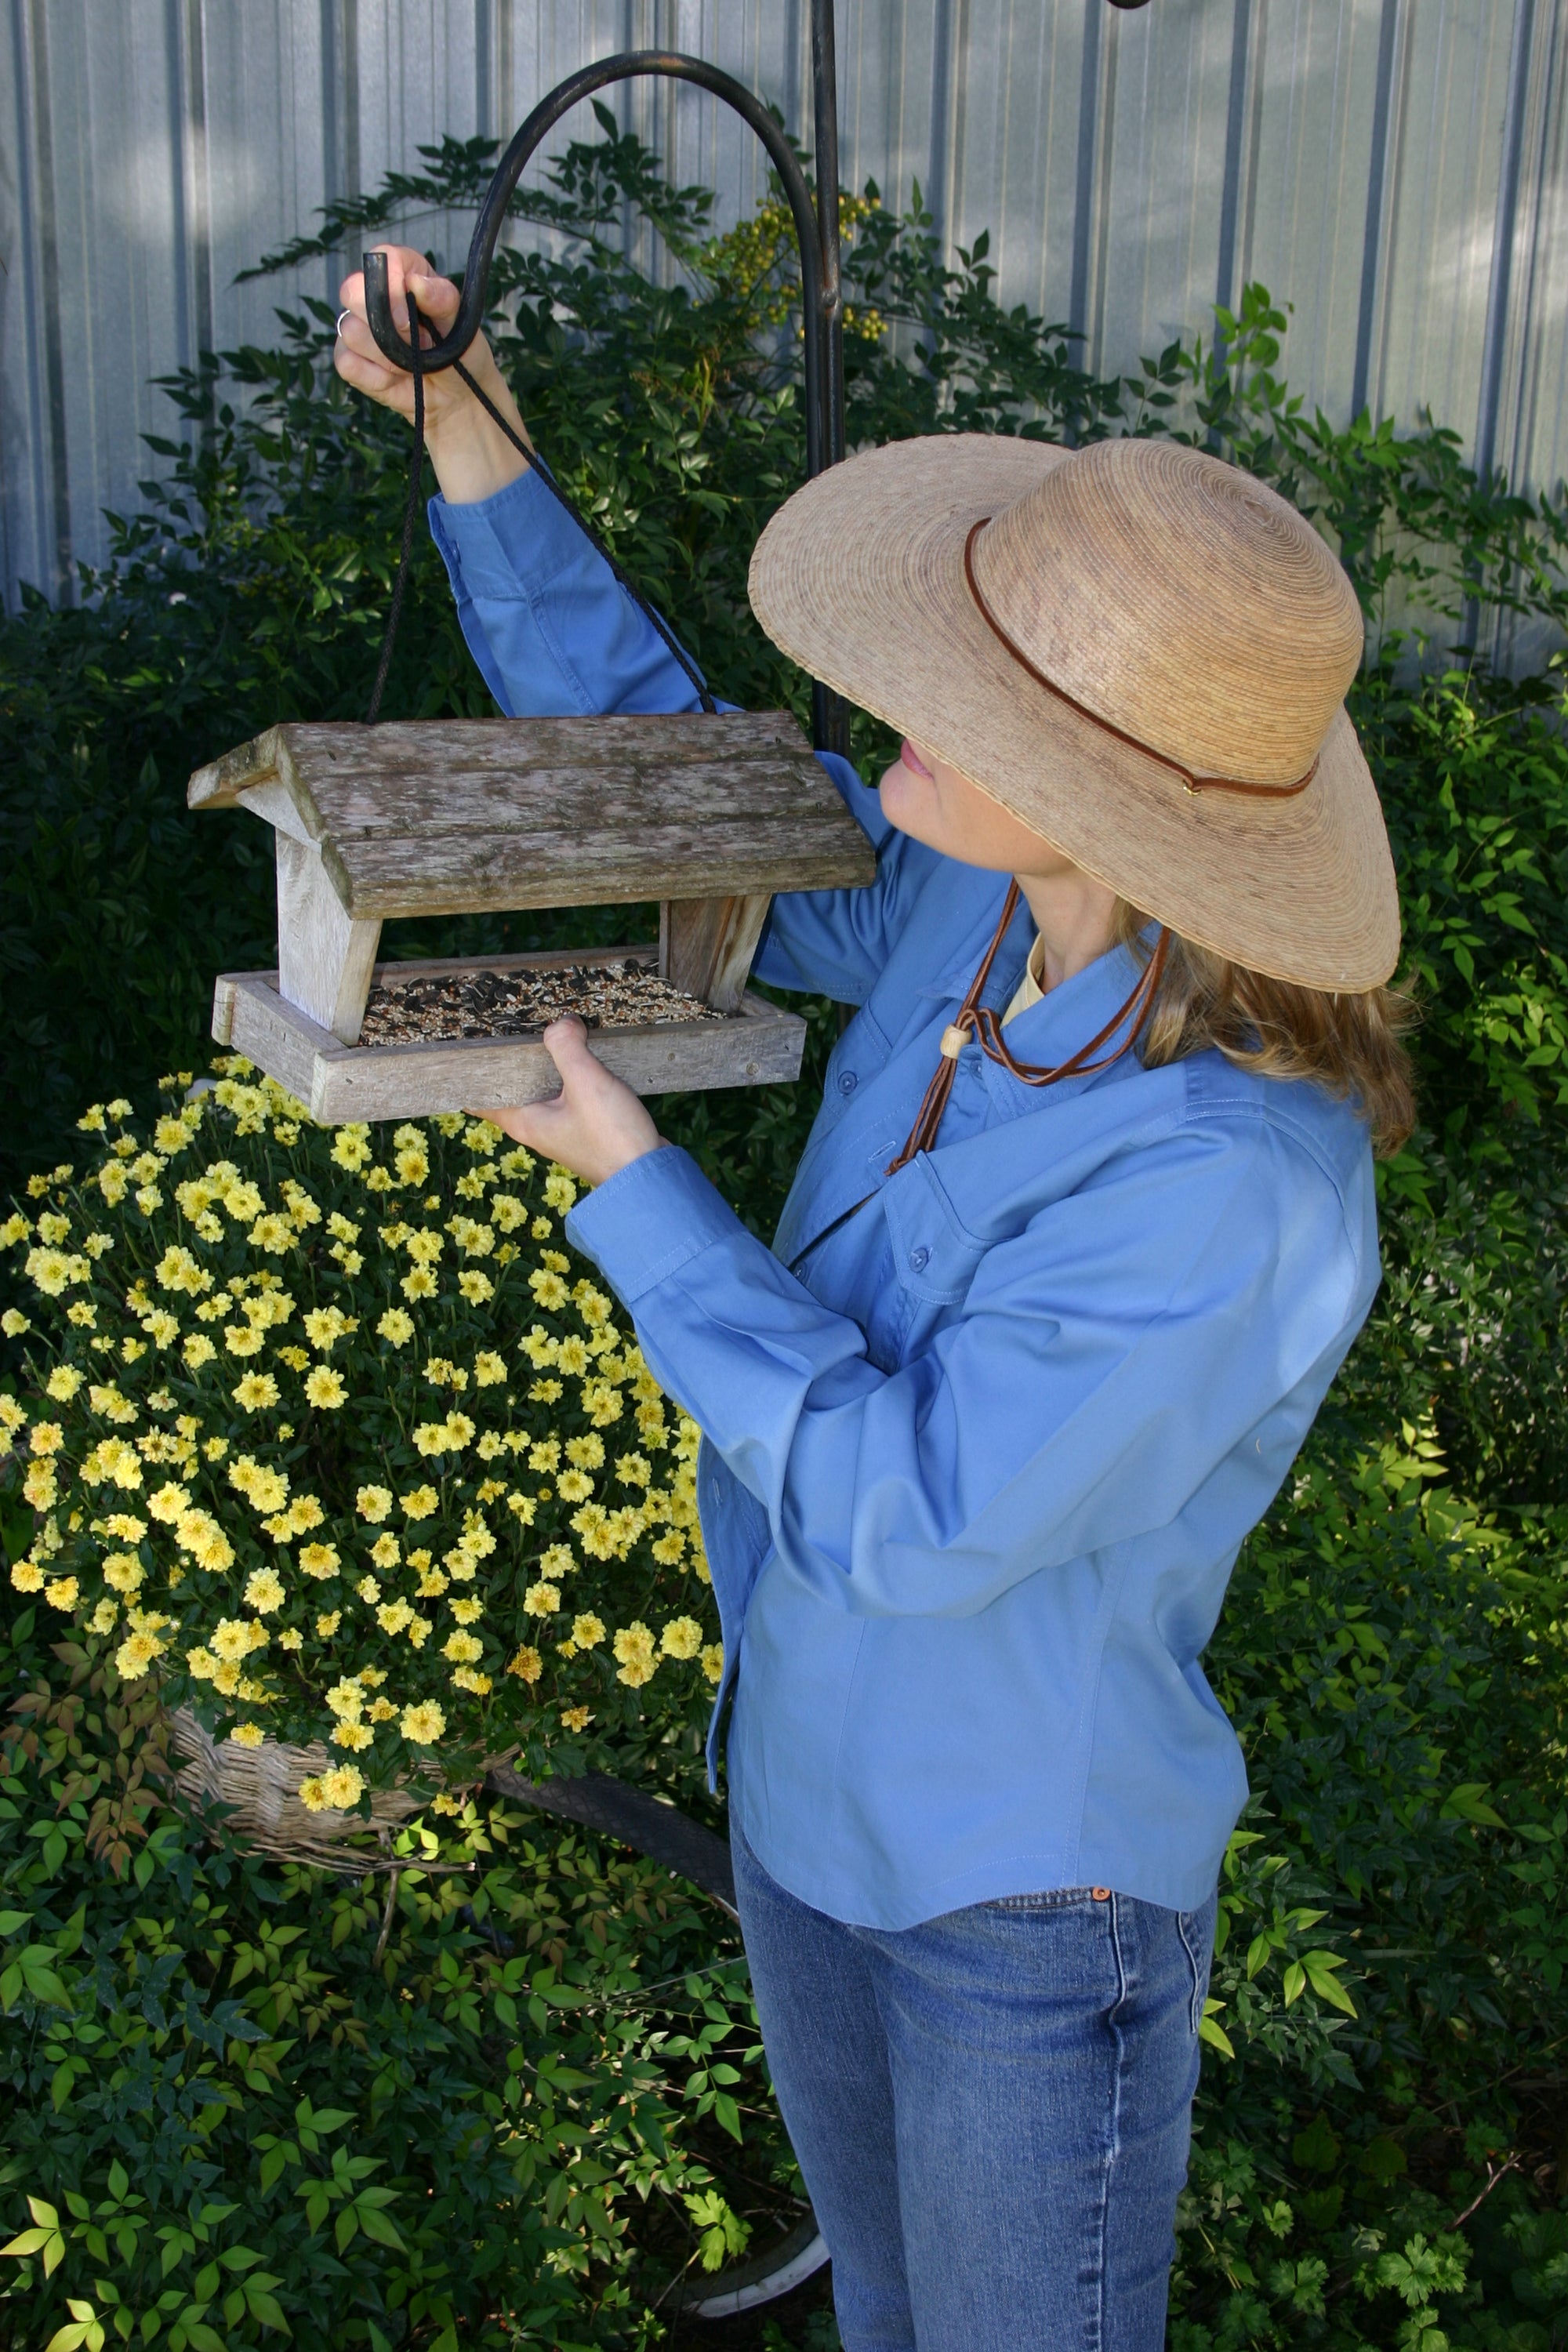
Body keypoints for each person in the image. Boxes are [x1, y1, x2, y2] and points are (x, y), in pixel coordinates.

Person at [336, 249, 1411, 2352]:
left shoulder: (1232, 1181)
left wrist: (639, 1198)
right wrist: (468, 427)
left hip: (1024, 1902)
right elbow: (688, 774)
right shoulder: (967, 905)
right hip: (813, 1804)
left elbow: (920, 1513)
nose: (912, 692)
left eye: (971, 689)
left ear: (1118, 795)